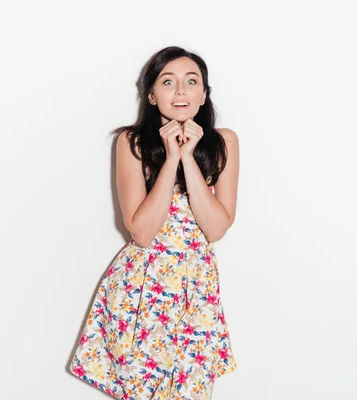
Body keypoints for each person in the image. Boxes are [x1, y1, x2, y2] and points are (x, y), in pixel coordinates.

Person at [68, 46, 239, 400]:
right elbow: (142, 232)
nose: (180, 92)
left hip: (196, 288)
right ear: (150, 94)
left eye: (192, 82)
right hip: (142, 288)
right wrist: (170, 158)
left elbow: (216, 228)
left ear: (204, 94)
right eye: (168, 82)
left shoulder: (224, 142)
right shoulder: (130, 143)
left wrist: (189, 157)